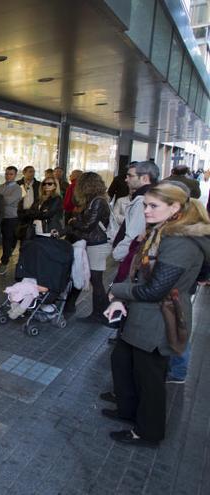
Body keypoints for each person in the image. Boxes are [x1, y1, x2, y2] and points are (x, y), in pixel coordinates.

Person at [102, 182, 210, 447]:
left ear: (175, 208)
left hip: (159, 317)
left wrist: (117, 291)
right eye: (146, 205)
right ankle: (127, 410)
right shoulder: (163, 231)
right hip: (145, 312)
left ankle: (148, 432)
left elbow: (155, 289)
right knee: (123, 360)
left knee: (149, 377)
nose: (146, 211)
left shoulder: (181, 241)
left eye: (153, 206)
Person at [64, 172, 111, 322]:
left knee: (96, 281)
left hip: (97, 244)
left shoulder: (97, 201)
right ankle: (97, 312)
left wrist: (72, 222)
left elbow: (87, 225)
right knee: (89, 278)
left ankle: (100, 314)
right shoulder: (94, 200)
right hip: (92, 243)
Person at [111, 161, 159, 265]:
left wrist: (117, 253)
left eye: (130, 176)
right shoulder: (147, 196)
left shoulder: (143, 200)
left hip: (129, 257)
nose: (126, 179)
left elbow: (133, 234)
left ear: (145, 178)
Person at [0, 166, 22, 275]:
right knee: (6, 240)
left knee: (8, 241)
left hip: (11, 218)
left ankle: (4, 263)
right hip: (0, 217)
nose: (8, 176)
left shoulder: (17, 189)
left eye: (11, 174)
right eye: (7, 173)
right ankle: (7, 254)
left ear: (15, 175)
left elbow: (6, 200)